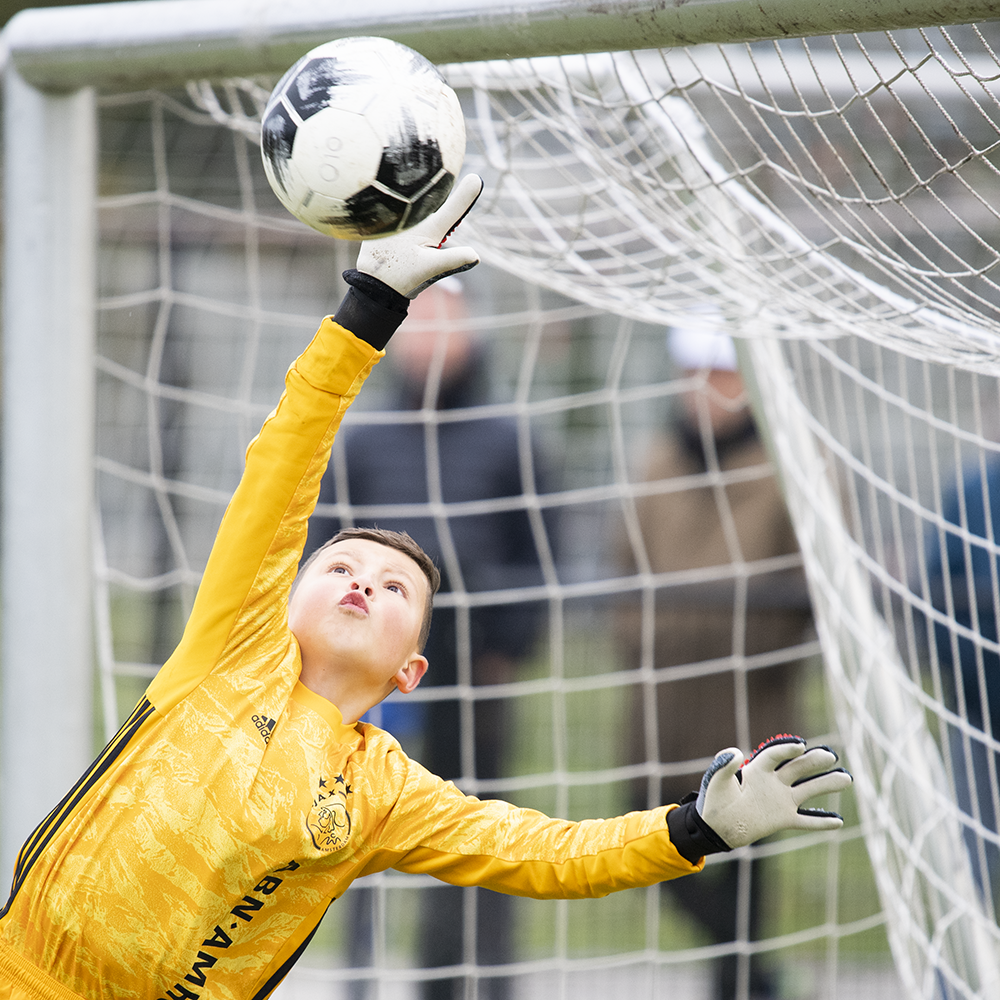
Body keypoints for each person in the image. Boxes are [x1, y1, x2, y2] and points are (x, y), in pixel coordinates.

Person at [0, 176, 851, 1000]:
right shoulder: (230, 656)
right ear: (288, 597)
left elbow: (545, 853)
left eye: (394, 588)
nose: (363, 583)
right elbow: (284, 464)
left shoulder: (384, 794)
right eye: (339, 567)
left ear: (410, 669)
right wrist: (368, 310)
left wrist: (693, 829)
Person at [304, 279, 546, 1000]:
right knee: (351, 825)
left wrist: (509, 646)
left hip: (475, 676)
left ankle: (477, 983)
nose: (434, 336)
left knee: (475, 834)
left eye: (448, 319)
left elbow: (540, 554)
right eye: (423, 320)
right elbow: (322, 549)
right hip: (371, 683)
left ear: (472, 331)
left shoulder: (511, 440)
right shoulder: (363, 439)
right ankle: (359, 979)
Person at [619, 321, 816, 1000]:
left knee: (747, 866)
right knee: (649, 843)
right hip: (661, 709)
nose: (704, 390)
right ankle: (759, 979)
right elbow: (623, 565)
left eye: (721, 375)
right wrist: (645, 639)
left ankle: (744, 983)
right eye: (692, 375)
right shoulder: (657, 461)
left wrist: (761, 643)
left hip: (750, 704)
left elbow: (811, 585)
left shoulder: (789, 466)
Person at [924, 454, 1000, 906]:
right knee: (966, 864)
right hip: (979, 708)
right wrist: (967, 673)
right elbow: (936, 588)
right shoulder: (974, 492)